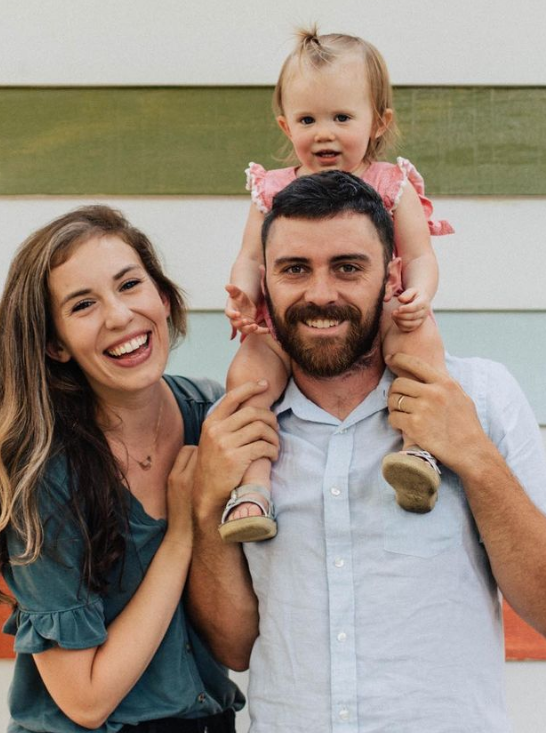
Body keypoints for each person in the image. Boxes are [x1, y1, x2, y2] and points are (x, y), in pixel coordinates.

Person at [187, 171, 546, 733]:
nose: (320, 293)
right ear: (266, 283)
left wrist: (473, 456)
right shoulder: (234, 427)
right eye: (294, 269)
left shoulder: (480, 397)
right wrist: (209, 507)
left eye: (348, 267)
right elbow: (234, 648)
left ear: (392, 276)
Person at [0, 205, 278, 733]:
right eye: (83, 305)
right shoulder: (46, 477)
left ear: (162, 297)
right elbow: (86, 700)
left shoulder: (208, 418)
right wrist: (183, 533)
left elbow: (237, 645)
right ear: (55, 344)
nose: (119, 316)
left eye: (130, 285)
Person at [219, 28, 454, 543]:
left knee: (419, 347)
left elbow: (418, 255)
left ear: (378, 123)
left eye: (341, 118)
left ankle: (417, 450)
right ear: (285, 124)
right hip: (294, 322)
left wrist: (420, 294)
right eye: (307, 120)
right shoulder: (274, 189)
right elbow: (249, 257)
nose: (323, 133)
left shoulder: (391, 183)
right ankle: (254, 489)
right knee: (250, 378)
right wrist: (243, 295)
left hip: (383, 310)